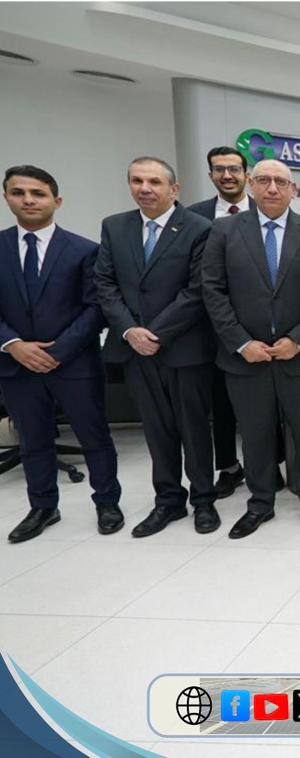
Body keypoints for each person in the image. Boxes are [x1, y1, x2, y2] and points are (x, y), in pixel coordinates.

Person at [202, 159, 300, 538]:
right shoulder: (224, 231)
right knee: (255, 435)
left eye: (280, 181)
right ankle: (261, 502)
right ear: (251, 185)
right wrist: (241, 342)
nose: (272, 188)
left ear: (293, 189)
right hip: (247, 358)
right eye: (263, 180)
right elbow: (212, 291)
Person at [96, 157, 219, 537]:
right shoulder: (115, 227)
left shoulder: (199, 228)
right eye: (137, 181)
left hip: (184, 348)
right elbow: (105, 284)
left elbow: (197, 290)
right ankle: (168, 501)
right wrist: (130, 331)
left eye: (154, 182)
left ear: (174, 189)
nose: (145, 188)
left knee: (194, 429)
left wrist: (154, 333)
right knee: (156, 430)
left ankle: (204, 500)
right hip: (134, 349)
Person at [1, 165, 121, 542]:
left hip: (74, 362)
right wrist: (14, 345)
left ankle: (107, 501)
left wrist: (59, 350)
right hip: (16, 364)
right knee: (32, 440)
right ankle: (42, 507)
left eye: (38, 193)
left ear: (57, 201)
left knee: (94, 436)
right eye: (19, 192)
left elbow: (97, 307)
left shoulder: (84, 250)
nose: (28, 200)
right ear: (6, 198)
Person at [187, 145, 258, 499]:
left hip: (260, 330)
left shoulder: (267, 210)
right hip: (210, 329)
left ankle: (267, 465)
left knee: (264, 404)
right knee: (220, 402)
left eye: (234, 169)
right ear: (211, 174)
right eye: (220, 169)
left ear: (246, 174)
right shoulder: (193, 217)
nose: (227, 175)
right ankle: (229, 467)